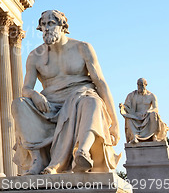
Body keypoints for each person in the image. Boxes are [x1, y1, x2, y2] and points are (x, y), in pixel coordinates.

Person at [13, 10, 120, 175]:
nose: (46, 28)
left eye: (51, 23)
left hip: (80, 97)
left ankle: (82, 151)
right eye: (43, 25)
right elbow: (26, 88)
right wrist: (34, 94)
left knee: (91, 101)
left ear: (62, 26)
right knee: (19, 104)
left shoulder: (82, 48)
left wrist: (115, 121)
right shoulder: (34, 56)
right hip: (50, 104)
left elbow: (100, 82)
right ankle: (38, 159)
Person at [119, 78, 168, 143]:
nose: (140, 87)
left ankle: (154, 136)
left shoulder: (151, 96)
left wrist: (149, 111)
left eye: (141, 85)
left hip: (147, 116)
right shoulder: (131, 95)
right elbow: (127, 107)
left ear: (145, 85)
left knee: (154, 115)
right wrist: (122, 106)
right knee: (129, 118)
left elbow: (156, 108)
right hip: (136, 116)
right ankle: (134, 137)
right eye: (138, 85)